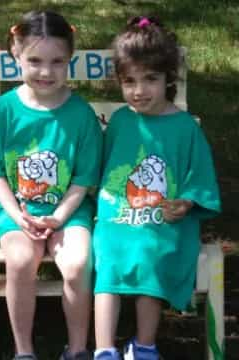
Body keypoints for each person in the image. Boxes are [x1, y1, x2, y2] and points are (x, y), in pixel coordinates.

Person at [0, 10, 103, 360]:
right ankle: (24, 350)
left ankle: (77, 349)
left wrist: (57, 218)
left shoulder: (81, 114)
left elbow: (84, 180)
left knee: (76, 263)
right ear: (16, 56)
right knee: (21, 258)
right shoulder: (4, 110)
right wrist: (19, 215)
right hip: (14, 210)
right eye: (35, 60)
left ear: (70, 59)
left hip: (68, 211)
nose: (46, 72)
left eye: (57, 61)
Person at [92, 16, 221, 360]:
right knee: (108, 256)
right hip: (120, 214)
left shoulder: (184, 128)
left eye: (150, 79)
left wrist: (188, 202)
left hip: (164, 220)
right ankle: (104, 348)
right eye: (129, 81)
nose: (139, 90)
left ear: (168, 78)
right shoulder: (120, 120)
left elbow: (199, 175)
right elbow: (109, 171)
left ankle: (144, 344)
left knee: (152, 252)